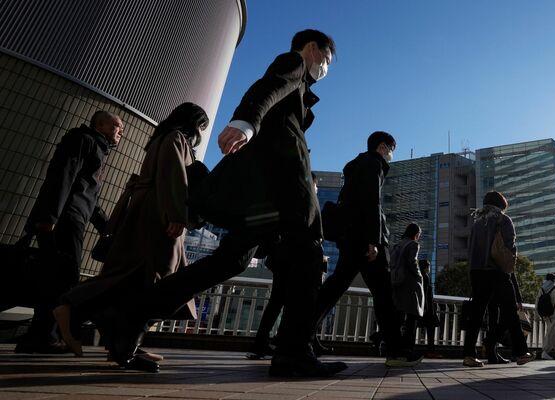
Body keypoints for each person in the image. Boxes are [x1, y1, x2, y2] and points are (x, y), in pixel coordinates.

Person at [103, 30, 344, 377]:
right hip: (282, 190)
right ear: (311, 48)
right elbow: (268, 87)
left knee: (229, 262)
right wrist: (245, 123)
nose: (325, 68)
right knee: (307, 253)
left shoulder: (303, 90)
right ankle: (293, 353)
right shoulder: (293, 63)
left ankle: (131, 313)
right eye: (326, 60)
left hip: (261, 198)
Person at [52, 103, 207, 366]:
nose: (201, 133)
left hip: (149, 211)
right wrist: (177, 214)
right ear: (194, 124)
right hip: (159, 215)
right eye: (201, 126)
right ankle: (76, 307)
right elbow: (173, 176)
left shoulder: (161, 138)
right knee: (154, 277)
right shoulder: (176, 138)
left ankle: (122, 343)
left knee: (136, 276)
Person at [15, 110, 123, 354]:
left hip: (71, 217)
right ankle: (44, 336)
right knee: (64, 277)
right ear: (100, 125)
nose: (121, 132)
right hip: (64, 218)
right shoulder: (83, 140)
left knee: (55, 276)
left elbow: (89, 196)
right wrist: (49, 217)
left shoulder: (97, 148)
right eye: (117, 126)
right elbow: (63, 176)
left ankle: (39, 336)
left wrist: (107, 228)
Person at [313, 132, 418, 367]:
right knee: (384, 294)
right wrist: (373, 240)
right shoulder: (373, 163)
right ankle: (396, 351)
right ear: (382, 147)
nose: (391, 154)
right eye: (391, 149)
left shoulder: (356, 166)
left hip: (351, 237)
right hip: (366, 240)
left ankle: (298, 336)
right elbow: (372, 202)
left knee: (335, 286)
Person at [245, 173, 327, 361]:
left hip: (281, 257)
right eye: (316, 186)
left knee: (276, 301)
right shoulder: (305, 201)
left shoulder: (287, 198)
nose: (316, 189)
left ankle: (261, 344)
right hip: (295, 258)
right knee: (295, 302)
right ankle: (284, 344)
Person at [462, 191, 534, 368]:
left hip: (476, 272)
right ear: (501, 205)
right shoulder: (503, 220)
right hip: (497, 271)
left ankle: (469, 355)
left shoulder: (477, 222)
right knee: (510, 311)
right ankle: (520, 352)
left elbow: (471, 250)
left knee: (477, 313)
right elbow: (510, 246)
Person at [389, 223, 425, 362]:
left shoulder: (397, 245)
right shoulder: (413, 244)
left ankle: (396, 348)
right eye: (419, 234)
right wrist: (419, 275)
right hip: (409, 285)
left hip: (397, 283)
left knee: (398, 317)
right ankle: (408, 350)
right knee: (412, 317)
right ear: (416, 234)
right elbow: (412, 262)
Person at [418, 260, 441, 358]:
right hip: (428, 309)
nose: (430, 268)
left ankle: (430, 350)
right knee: (431, 331)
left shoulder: (420, 277)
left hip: (423, 308)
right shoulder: (425, 277)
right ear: (426, 267)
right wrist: (427, 308)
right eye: (429, 266)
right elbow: (426, 293)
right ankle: (431, 351)